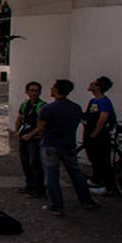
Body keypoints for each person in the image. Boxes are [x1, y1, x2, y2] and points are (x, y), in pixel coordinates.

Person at [28, 79, 99, 216]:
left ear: (56, 89)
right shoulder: (76, 107)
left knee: (52, 176)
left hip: (50, 144)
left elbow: (41, 128)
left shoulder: (47, 108)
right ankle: (86, 200)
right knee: (76, 174)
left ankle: (56, 205)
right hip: (68, 144)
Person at [83, 76, 117, 194]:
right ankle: (96, 179)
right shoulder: (93, 101)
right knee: (95, 159)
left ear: (98, 87)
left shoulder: (104, 102)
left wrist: (95, 133)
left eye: (94, 83)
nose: (91, 83)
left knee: (103, 160)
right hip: (90, 134)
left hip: (99, 136)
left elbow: (103, 119)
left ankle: (108, 187)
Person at [15, 81, 47, 197]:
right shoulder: (25, 105)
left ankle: (38, 189)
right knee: (25, 164)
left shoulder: (42, 106)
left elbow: (42, 125)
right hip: (24, 138)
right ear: (27, 92)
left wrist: (31, 134)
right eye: (32, 90)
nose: (34, 93)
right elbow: (19, 118)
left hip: (35, 139)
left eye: (36, 91)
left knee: (35, 164)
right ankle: (29, 185)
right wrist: (16, 130)